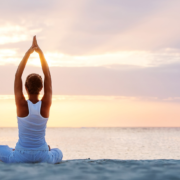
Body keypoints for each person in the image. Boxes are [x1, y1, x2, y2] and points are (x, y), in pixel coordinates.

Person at [0, 36, 63, 164]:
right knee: (58, 152)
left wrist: (28, 53)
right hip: (43, 155)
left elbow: (18, 75)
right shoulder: (45, 105)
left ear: (25, 88)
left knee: (3, 149)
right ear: (41, 88)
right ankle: (47, 150)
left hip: (21, 155)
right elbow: (48, 75)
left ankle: (14, 151)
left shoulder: (21, 104)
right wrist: (40, 53)